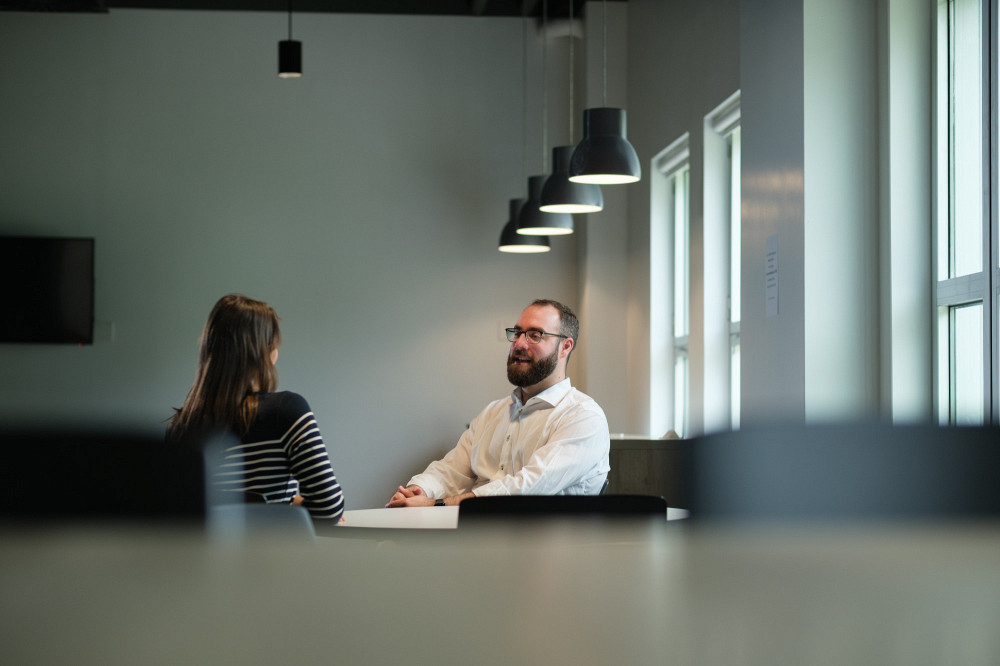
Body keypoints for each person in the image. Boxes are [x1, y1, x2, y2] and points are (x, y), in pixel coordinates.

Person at [386, 299, 609, 508]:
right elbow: (451, 470)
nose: (519, 343)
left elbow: (527, 487)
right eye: (518, 333)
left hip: (549, 545)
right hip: (474, 539)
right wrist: (418, 490)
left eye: (535, 335)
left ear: (565, 347)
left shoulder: (583, 416)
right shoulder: (493, 412)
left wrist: (438, 505)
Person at [168, 294, 344, 521]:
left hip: (204, 556)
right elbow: (328, 507)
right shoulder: (287, 410)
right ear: (265, 351)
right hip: (272, 554)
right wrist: (293, 503)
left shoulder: (179, 428)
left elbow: (178, 516)